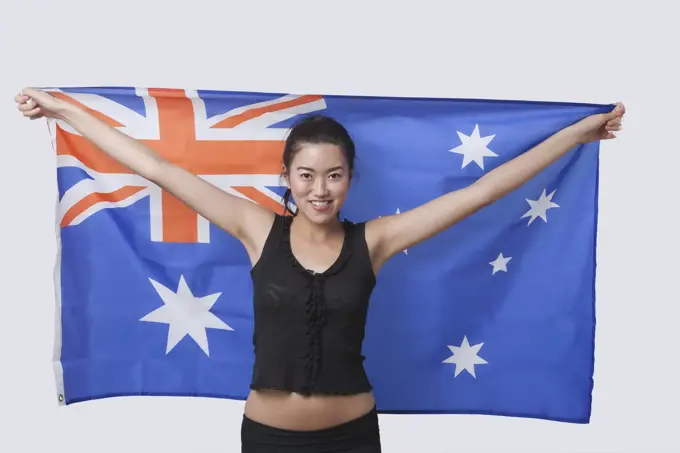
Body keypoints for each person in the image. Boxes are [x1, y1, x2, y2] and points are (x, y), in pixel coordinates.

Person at [15, 88, 624, 452]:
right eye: (306, 175)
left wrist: (578, 134)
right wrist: (62, 112)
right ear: (287, 179)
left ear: (350, 179)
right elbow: (158, 169)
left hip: (352, 438)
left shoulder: (376, 239)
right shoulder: (255, 228)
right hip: (268, 438)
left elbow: (480, 192)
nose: (320, 189)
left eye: (333, 175)